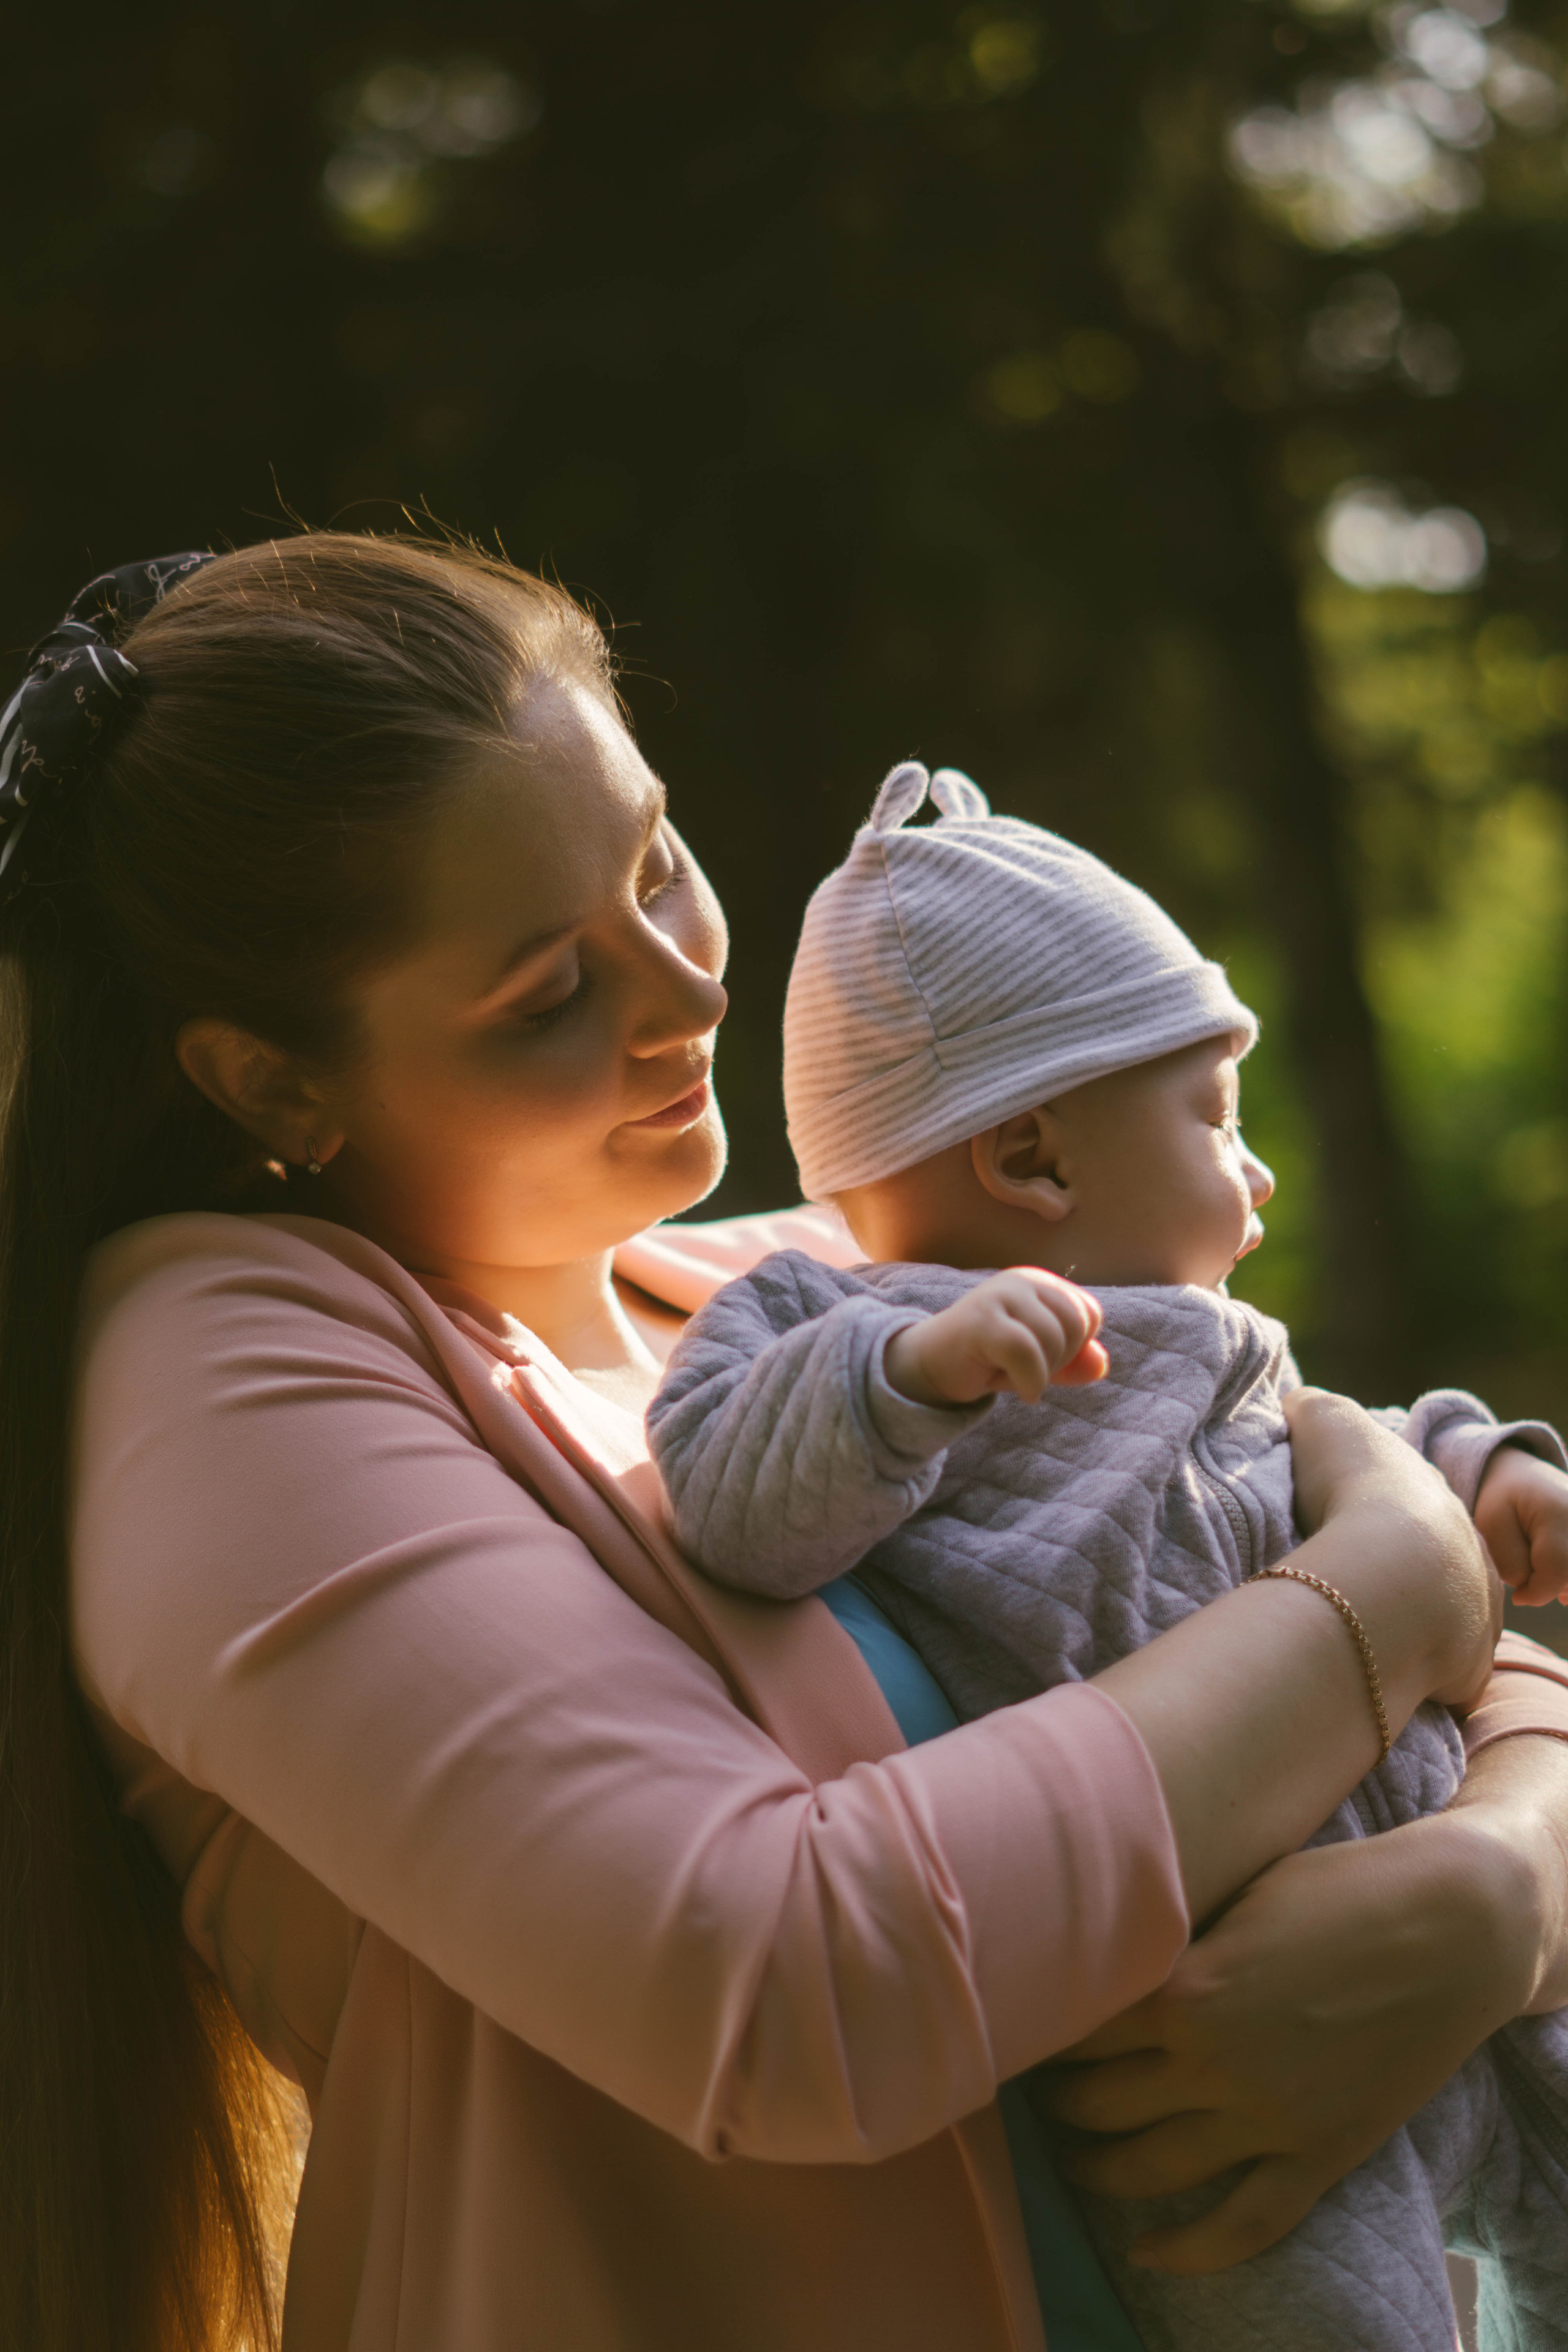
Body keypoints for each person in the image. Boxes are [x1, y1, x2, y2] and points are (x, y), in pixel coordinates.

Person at [2, 532, 1566, 2352]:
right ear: (271, 1078)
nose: (685, 987)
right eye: (546, 993)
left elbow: (1355, 1530)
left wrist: (1494, 1886)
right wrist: (1397, 1583)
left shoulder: (805, 1286)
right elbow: (781, 1980)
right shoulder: (220, 1369)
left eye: (657, 860)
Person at [646, 761, 1568, 2346]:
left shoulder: (1227, 1348)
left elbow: (1363, 1454)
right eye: (1216, 1116)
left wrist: (1493, 1470)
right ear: (1038, 1164)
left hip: (1443, 1916)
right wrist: (909, 1378)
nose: (1257, 1168)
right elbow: (734, 1504)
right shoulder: (838, 1324)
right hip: (1221, 2021)